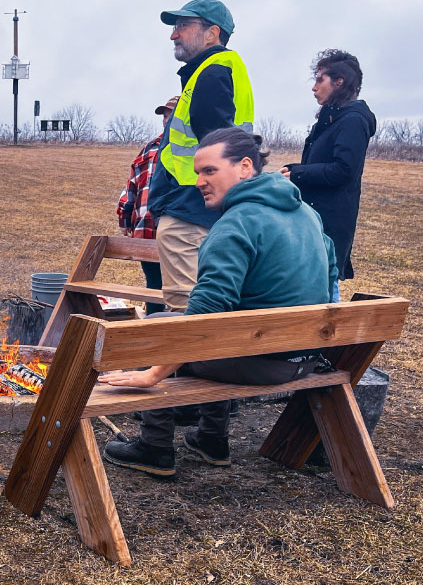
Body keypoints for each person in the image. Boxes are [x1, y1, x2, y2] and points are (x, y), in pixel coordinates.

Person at [101, 128, 337, 478]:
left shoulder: (235, 225)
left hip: (264, 363)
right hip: (306, 359)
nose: (198, 182)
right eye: (197, 172)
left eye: (209, 171)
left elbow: (204, 318)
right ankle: (211, 439)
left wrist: (154, 372)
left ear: (244, 167)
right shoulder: (307, 215)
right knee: (215, 328)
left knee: (157, 326)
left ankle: (154, 447)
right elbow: (330, 279)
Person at [146, 0, 254, 312]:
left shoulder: (212, 74)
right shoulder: (218, 71)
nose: (173, 35)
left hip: (191, 215)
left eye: (182, 26)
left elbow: (218, 150)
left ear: (211, 33)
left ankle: (186, 364)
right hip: (197, 211)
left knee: (190, 312)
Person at [280, 50, 376, 298]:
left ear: (339, 81)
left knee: (325, 281)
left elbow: (344, 169)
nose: (314, 88)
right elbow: (322, 163)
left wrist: (298, 174)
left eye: (319, 79)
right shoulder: (333, 119)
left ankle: (331, 335)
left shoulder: (353, 120)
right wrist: (293, 170)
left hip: (330, 222)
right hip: (316, 217)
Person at [116, 96, 178, 313]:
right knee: (154, 285)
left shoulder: (190, 149)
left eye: (171, 113)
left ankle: (165, 326)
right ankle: (155, 325)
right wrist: (124, 219)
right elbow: (131, 186)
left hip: (177, 231)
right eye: (165, 115)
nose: (167, 119)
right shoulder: (148, 149)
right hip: (147, 230)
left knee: (177, 286)